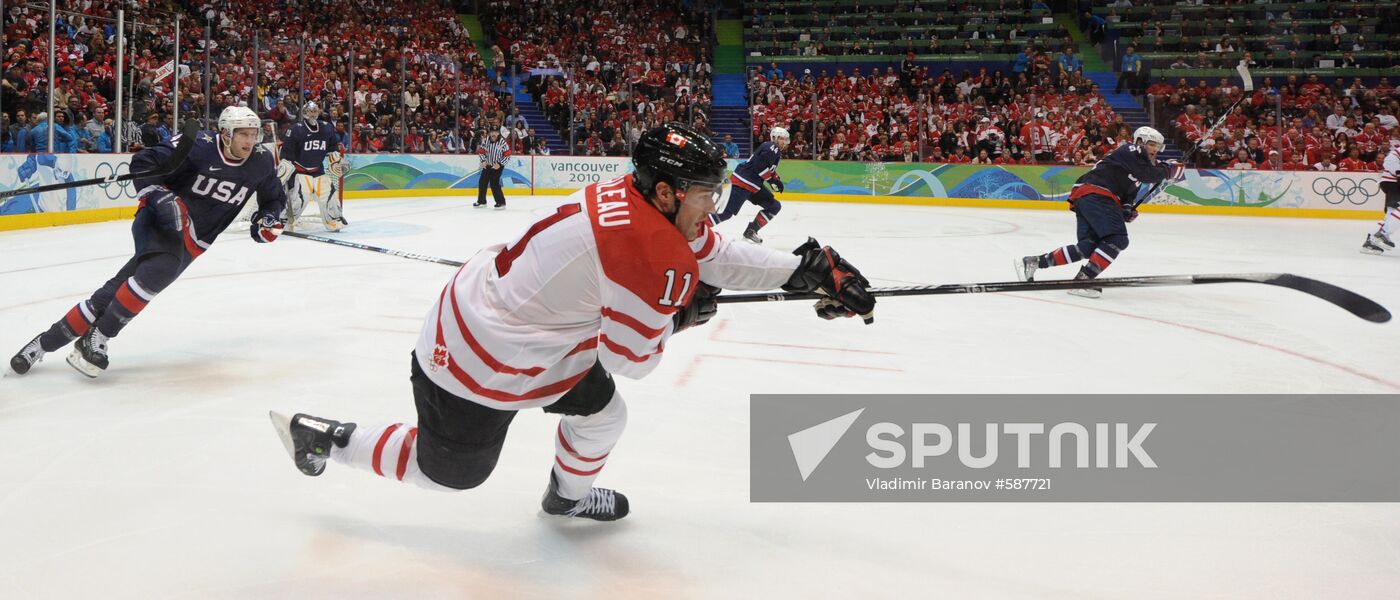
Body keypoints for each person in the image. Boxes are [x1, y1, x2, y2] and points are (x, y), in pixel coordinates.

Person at [268, 123, 876, 522]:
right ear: (666, 192)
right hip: (478, 359)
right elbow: (636, 361)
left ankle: (567, 499)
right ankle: (330, 437)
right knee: (448, 476)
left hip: (520, 332)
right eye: (703, 195)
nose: (711, 207)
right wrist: (680, 316)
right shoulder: (647, 252)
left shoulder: (640, 201)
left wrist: (804, 269)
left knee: (603, 414)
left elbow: (709, 253)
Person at [8, 107, 288, 377]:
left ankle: (42, 344)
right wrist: (157, 195)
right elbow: (144, 162)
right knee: (162, 267)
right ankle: (98, 336)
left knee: (110, 295)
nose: (250, 141)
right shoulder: (198, 145)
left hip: (194, 240)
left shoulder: (260, 162)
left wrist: (267, 219)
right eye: (243, 134)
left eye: (253, 134)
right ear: (226, 133)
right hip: (158, 219)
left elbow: (272, 197)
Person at [1017, 126, 1184, 298]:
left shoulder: (1136, 165)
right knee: (1117, 239)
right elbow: (1148, 174)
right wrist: (1169, 170)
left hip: (1088, 196)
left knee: (1089, 246)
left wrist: (1126, 210)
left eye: (1158, 146)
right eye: (1152, 144)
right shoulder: (1130, 149)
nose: (1155, 149)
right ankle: (1082, 281)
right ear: (1139, 141)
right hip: (1096, 194)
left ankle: (1033, 263)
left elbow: (1128, 196)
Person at [711, 126, 789, 243]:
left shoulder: (771, 148)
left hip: (752, 185)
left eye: (785, 139)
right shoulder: (773, 148)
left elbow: (767, 168)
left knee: (774, 206)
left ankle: (751, 230)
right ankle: (696, 228)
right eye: (781, 138)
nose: (784, 141)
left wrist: (776, 179)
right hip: (743, 182)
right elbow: (760, 166)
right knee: (725, 213)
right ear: (775, 138)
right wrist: (772, 181)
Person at [281, 102, 348, 231]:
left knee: (329, 194)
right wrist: (285, 168)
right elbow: (286, 153)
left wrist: (335, 159)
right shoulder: (296, 129)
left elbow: (332, 147)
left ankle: (333, 219)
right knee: (301, 197)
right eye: (310, 111)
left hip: (318, 170)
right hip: (300, 171)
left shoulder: (327, 128)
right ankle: (286, 219)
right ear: (305, 113)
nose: (313, 114)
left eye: (315, 111)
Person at [1361, 143, 1400, 255]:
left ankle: (1371, 241)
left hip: (1393, 183)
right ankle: (1383, 234)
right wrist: (1398, 172)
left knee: (1391, 213)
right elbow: (1390, 158)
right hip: (1392, 182)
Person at [475, 128, 510, 209]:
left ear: (498, 133)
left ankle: (501, 203)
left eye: (495, 132)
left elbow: (507, 155)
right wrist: (483, 160)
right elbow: (481, 151)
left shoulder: (502, 142)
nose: (493, 134)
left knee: (494, 183)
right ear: (489, 133)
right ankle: (482, 201)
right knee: (482, 182)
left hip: (497, 165)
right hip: (487, 164)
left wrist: (500, 163)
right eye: (492, 132)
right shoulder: (486, 140)